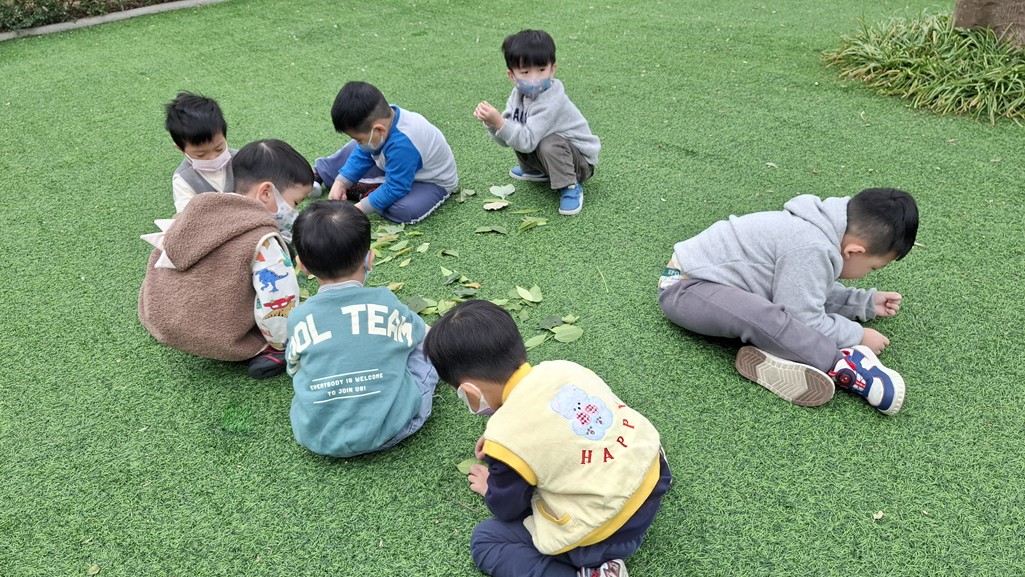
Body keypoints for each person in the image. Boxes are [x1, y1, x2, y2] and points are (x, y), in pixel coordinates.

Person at [424, 300, 671, 577]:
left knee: (487, 539)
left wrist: (491, 486)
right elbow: (555, 422)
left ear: (470, 391)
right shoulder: (563, 368)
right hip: (651, 475)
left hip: (606, 530)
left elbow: (509, 508)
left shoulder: (506, 438)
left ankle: (593, 572)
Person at [658, 188, 919, 415]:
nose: (867, 274)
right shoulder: (811, 247)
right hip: (686, 288)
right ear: (854, 251)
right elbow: (803, 317)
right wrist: (856, 336)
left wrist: (862, 303)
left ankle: (778, 354)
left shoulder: (821, 232)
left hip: (714, 287)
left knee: (770, 317)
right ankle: (844, 365)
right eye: (872, 268)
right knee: (765, 317)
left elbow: (808, 291)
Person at [138, 139, 314, 378]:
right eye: (295, 202)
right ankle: (272, 351)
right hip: (214, 335)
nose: (295, 211)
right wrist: (284, 340)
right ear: (265, 192)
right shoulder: (263, 240)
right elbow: (278, 304)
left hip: (159, 315)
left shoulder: (200, 209)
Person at [285, 201, 438, 458]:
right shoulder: (385, 302)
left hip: (317, 436)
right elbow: (421, 333)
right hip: (394, 428)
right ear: (370, 258)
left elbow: (294, 368)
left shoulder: (298, 317)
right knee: (429, 344)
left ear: (302, 265)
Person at [473, 29, 601, 216]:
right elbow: (507, 138)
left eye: (541, 70)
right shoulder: (517, 95)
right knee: (516, 127)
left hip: (579, 164)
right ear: (512, 75)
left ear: (552, 69)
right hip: (548, 152)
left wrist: (500, 122)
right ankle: (536, 170)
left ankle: (570, 185)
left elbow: (526, 141)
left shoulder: (551, 100)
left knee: (547, 142)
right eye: (525, 72)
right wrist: (492, 124)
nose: (534, 78)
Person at [315, 81, 458, 224]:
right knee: (355, 149)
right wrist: (341, 183)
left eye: (359, 139)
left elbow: (396, 187)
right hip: (395, 164)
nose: (358, 142)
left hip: (429, 182)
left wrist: (358, 209)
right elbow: (362, 154)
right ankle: (324, 174)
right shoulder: (383, 119)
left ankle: (373, 191)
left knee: (404, 209)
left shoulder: (404, 144)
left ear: (379, 130)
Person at [164, 91, 237, 213]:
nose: (213, 158)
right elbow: (189, 217)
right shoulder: (184, 180)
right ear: (181, 149)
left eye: (219, 149)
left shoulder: (243, 159)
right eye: (201, 155)